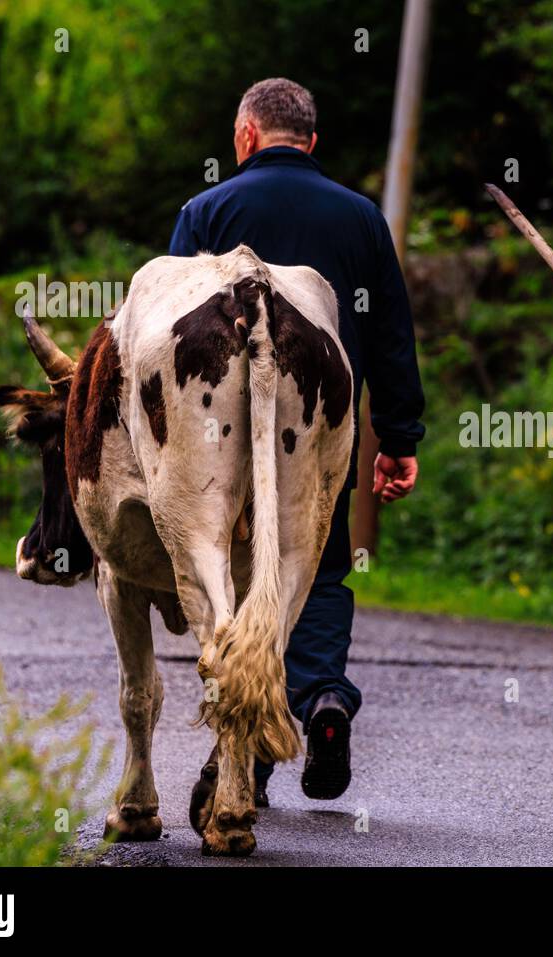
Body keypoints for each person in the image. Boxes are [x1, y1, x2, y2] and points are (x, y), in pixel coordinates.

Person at [170, 77, 425, 804]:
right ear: (311, 141)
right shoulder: (361, 219)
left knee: (235, 570)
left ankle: (245, 745)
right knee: (316, 563)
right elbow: (390, 337)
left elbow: (164, 335)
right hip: (319, 434)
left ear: (246, 136)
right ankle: (322, 699)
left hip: (214, 437)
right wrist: (398, 434)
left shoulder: (205, 212)